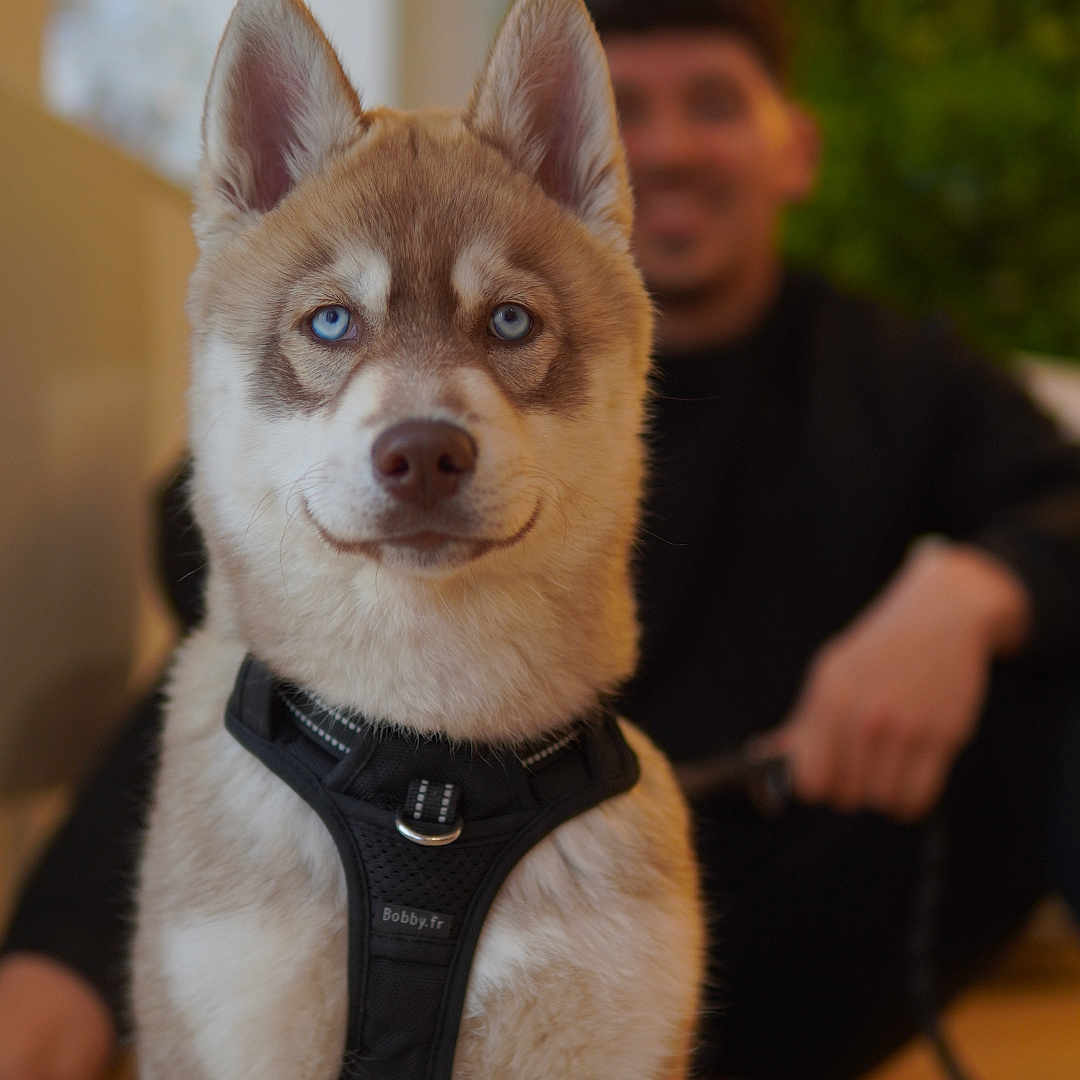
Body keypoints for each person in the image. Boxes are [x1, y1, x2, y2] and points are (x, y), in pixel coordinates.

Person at [3, 1, 1080, 1077]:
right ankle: (45, 1000)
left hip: (768, 879)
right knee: (232, 693)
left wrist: (969, 593)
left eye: (711, 102)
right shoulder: (423, 325)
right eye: (634, 106)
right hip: (386, 795)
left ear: (794, 147)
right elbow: (198, 530)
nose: (667, 143)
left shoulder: (897, 371)